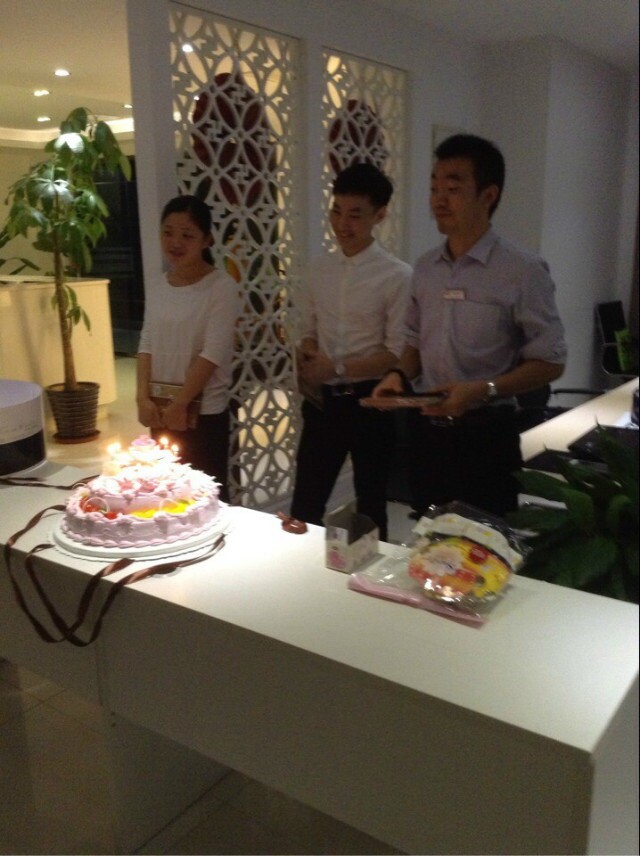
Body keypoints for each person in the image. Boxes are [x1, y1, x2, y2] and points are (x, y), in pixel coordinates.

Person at [374, 134, 567, 517]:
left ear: (488, 195)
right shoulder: (425, 268)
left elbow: (551, 361)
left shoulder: (522, 271)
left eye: (453, 188)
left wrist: (484, 389)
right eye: (434, 188)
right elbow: (414, 342)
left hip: (487, 436)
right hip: (427, 435)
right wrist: (397, 374)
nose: (438, 200)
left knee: (486, 542)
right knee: (429, 536)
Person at [290, 162, 412, 541]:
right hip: (323, 404)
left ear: (380, 215)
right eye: (337, 211)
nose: (343, 223)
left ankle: (375, 576)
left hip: (371, 402)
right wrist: (309, 353)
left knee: (371, 505)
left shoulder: (397, 276)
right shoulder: (319, 270)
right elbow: (308, 330)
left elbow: (396, 353)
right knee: (306, 503)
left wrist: (336, 367)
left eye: (355, 214)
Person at [136, 195, 240, 501]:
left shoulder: (221, 286)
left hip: (203, 413)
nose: (176, 242)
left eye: (187, 235)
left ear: (206, 240)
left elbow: (213, 353)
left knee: (205, 500)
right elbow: (147, 342)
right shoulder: (158, 285)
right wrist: (142, 397)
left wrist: (181, 403)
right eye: (168, 233)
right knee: (166, 496)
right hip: (161, 409)